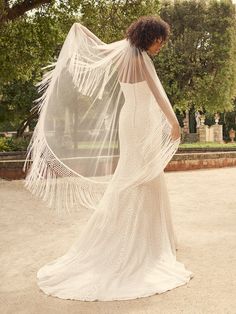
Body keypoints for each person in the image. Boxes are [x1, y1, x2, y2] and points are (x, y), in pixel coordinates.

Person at [23, 15, 194, 301]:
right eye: (159, 40)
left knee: (134, 176)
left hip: (129, 121)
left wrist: (79, 28)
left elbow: (97, 47)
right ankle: (147, 243)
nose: (160, 46)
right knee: (143, 177)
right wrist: (174, 123)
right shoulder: (140, 59)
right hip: (141, 123)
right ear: (149, 37)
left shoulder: (121, 52)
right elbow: (158, 94)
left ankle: (152, 238)